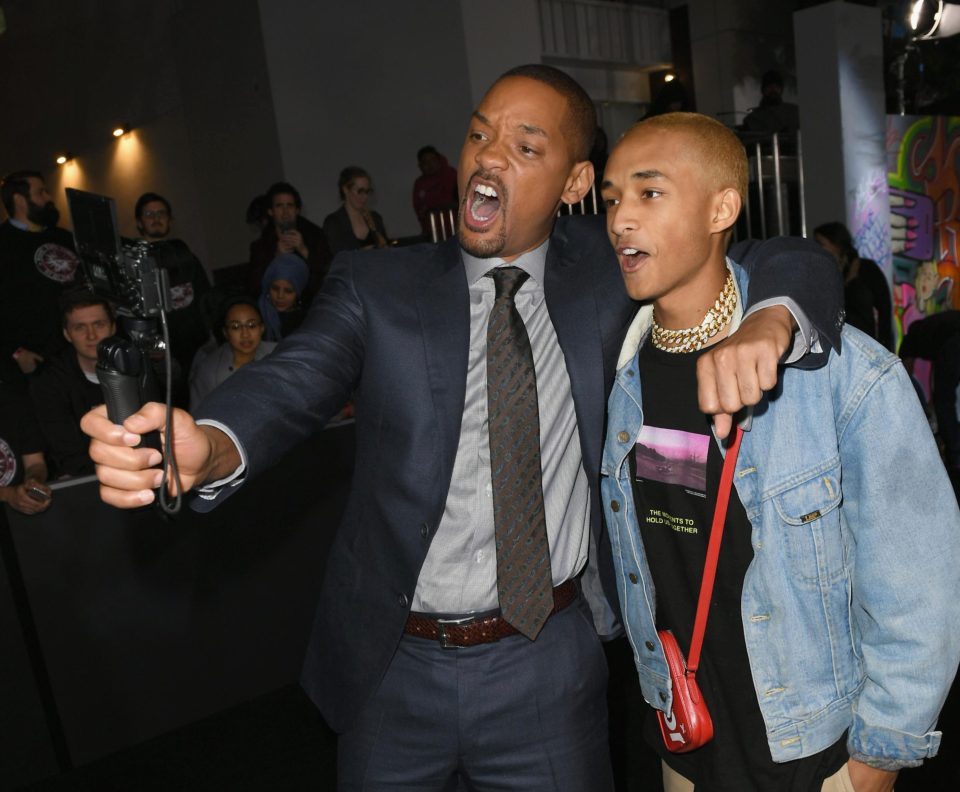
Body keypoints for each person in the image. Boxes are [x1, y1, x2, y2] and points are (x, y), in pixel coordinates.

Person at [82, 65, 843, 791]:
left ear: (577, 183)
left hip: (548, 662)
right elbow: (296, 378)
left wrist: (770, 318)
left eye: (525, 146)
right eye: (480, 135)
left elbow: (786, 255)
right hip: (392, 667)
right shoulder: (381, 285)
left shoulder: (608, 276)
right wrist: (212, 445)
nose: (488, 158)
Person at [599, 111, 960, 792]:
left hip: (815, 754)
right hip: (686, 742)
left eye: (649, 193)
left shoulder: (842, 376)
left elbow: (920, 587)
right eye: (612, 197)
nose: (620, 217)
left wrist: (877, 759)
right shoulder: (623, 374)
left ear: (722, 206)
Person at [0, 170, 82, 383]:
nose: (48, 198)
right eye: (41, 192)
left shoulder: (64, 237)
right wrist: (15, 352)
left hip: (76, 355)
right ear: (19, 200)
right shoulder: (3, 243)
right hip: (32, 363)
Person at [29, 289, 115, 478]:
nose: (91, 336)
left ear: (112, 328)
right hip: (85, 480)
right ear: (67, 335)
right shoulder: (50, 382)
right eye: (80, 328)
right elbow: (68, 455)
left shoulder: (135, 368)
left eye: (98, 324)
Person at [134, 192, 214, 384]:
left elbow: (206, 297)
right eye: (149, 214)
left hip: (198, 350)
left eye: (161, 213)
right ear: (139, 222)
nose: (156, 218)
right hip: (162, 357)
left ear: (170, 219)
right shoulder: (136, 262)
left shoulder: (186, 254)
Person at [814, 221, 894, 351]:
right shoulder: (819, 274)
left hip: (866, 346)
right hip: (834, 348)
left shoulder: (867, 269)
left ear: (836, 244)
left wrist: (884, 347)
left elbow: (885, 310)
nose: (817, 248)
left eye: (820, 243)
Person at [248, 181, 332, 303]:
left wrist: (304, 251)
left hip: (312, 306)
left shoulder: (315, 236)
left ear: (297, 210)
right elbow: (254, 287)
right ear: (271, 211)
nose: (285, 212)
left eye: (290, 206)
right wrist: (276, 257)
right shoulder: (260, 246)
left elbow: (329, 274)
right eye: (279, 206)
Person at [189, 298, 276, 410]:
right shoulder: (208, 372)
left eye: (252, 325)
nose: (245, 334)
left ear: (262, 328)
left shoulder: (278, 354)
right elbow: (199, 418)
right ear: (226, 333)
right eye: (235, 327)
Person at [0, 381, 52, 515]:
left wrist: (33, 483)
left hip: (17, 516)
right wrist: (8, 495)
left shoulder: (14, 402)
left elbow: (35, 463)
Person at [322, 166, 389, 255]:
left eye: (367, 191)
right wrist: (362, 254)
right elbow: (335, 260)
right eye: (360, 191)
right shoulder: (334, 222)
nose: (364, 197)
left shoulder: (376, 218)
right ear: (345, 189)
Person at [258, 254, 308, 341]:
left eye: (288, 291)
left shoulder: (307, 321)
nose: (280, 296)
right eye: (275, 289)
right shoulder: (256, 315)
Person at [412, 146, 459, 237]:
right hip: (433, 232)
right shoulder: (420, 184)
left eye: (432, 160)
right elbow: (419, 209)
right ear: (420, 166)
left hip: (456, 230)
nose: (430, 165)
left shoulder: (451, 175)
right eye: (425, 162)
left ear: (439, 160)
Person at [741, 69, 800, 137]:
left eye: (776, 86)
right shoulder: (753, 119)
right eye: (769, 86)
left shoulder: (794, 112)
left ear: (781, 89)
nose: (773, 89)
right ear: (763, 89)